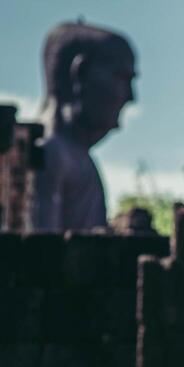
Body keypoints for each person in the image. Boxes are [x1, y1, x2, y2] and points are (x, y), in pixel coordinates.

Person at [31, 20, 137, 231]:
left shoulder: (76, 158)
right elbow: (42, 252)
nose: (131, 97)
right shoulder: (48, 152)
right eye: (121, 77)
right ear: (80, 73)